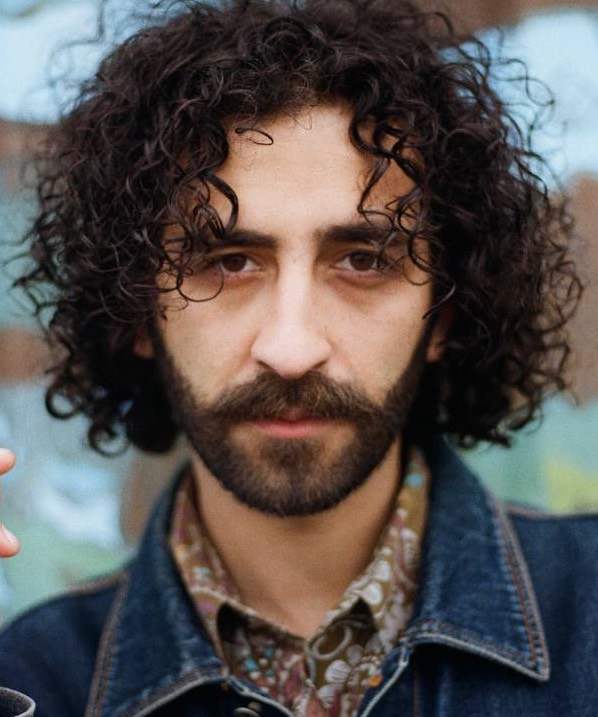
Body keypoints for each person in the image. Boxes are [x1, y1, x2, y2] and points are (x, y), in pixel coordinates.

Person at [0, 0, 595, 714]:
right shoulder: (30, 680)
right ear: (137, 312)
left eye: (363, 259)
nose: (291, 349)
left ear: (443, 314)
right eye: (227, 261)